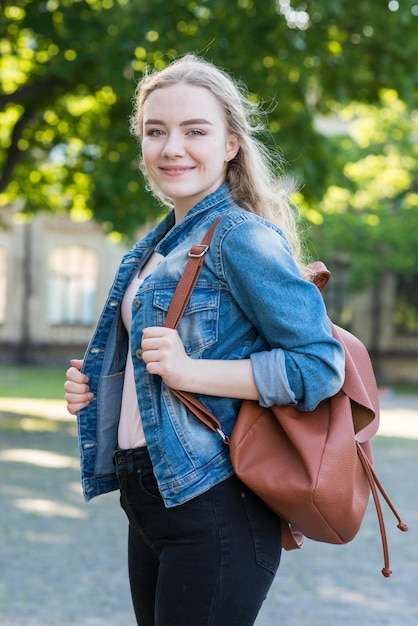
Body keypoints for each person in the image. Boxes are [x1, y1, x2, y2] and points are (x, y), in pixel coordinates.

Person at [65, 54, 345, 626]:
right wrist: (97, 388)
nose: (173, 148)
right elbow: (153, 369)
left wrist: (189, 372)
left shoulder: (240, 236)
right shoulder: (157, 245)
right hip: (149, 493)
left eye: (195, 131)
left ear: (231, 144)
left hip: (216, 500)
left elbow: (320, 366)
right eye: (156, 131)